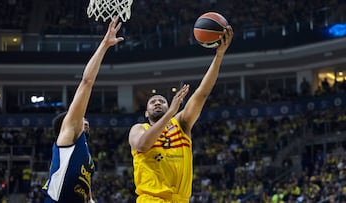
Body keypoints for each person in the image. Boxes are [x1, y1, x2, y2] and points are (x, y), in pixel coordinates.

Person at [128, 25, 233, 202]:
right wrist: (170, 113)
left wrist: (219, 56)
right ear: (146, 113)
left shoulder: (181, 123)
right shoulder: (139, 128)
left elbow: (202, 93)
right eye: (153, 102)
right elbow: (142, 146)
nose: (158, 103)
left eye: (162, 101)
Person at [42, 16, 124, 203]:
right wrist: (104, 45)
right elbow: (86, 82)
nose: (84, 119)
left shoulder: (85, 154)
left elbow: (86, 192)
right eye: (81, 117)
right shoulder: (67, 135)